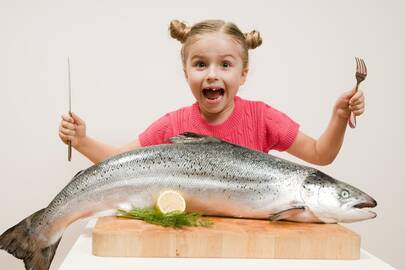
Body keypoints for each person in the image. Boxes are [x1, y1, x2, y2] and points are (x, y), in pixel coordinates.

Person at [59, 19, 365, 165]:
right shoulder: (172, 125)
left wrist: (339, 117)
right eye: (201, 64)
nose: (212, 75)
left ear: (243, 74)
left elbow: (319, 154)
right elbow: (116, 161)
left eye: (225, 65)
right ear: (186, 73)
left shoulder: (263, 118)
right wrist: (82, 140)